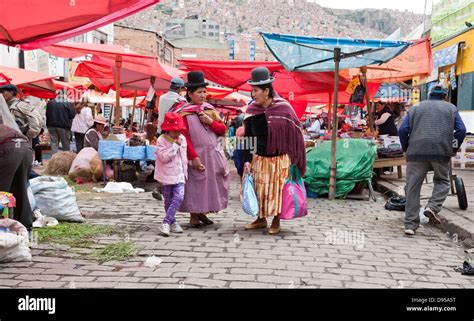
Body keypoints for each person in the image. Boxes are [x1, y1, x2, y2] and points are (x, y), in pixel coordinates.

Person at [243, 67, 306, 235]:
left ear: (266, 90)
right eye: (252, 91)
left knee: (278, 191)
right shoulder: (251, 111)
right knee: (260, 191)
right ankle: (260, 219)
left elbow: (296, 133)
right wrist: (247, 160)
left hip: (280, 159)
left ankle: (276, 220)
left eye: (255, 91)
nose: (253, 94)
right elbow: (248, 136)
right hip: (260, 159)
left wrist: (295, 157)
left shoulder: (284, 108)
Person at [399, 84, 466, 236]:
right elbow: (461, 130)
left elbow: (403, 130)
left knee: (412, 187)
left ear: (429, 95)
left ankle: (410, 225)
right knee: (443, 181)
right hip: (441, 151)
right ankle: (432, 207)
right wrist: (453, 148)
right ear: (445, 96)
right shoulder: (451, 108)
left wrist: (405, 148)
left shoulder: (415, 108)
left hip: (416, 152)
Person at [171, 71, 229, 228]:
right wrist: (193, 157)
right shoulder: (183, 112)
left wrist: (210, 122)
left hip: (211, 154)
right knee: (195, 183)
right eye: (199, 92)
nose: (203, 95)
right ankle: (194, 215)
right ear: (190, 93)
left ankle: (203, 211)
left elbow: (222, 130)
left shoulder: (209, 110)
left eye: (204, 91)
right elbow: (183, 137)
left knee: (209, 183)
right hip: (195, 153)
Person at [0, 94, 33, 231]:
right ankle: (25, 226)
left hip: (10, 149)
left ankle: (3, 229)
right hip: (24, 147)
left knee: (2, 192)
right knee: (19, 188)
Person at [154, 112, 188, 237]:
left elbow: (184, 155)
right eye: (175, 131)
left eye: (179, 130)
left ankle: (166, 222)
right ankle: (172, 222)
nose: (178, 133)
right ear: (168, 129)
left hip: (179, 174)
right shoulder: (161, 140)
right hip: (166, 174)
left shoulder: (182, 138)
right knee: (168, 200)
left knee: (179, 197)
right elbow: (163, 157)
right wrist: (174, 146)